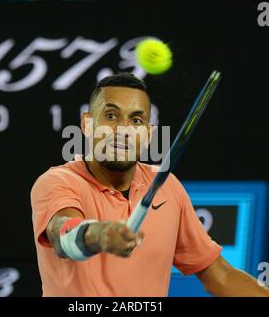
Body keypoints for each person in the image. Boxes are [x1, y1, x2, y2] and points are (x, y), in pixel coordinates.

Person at [31, 73, 269, 297]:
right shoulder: (58, 181)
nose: (123, 130)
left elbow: (221, 276)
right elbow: (62, 236)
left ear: (148, 133)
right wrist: (100, 234)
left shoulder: (167, 186)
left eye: (136, 120)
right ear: (87, 123)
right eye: (111, 116)